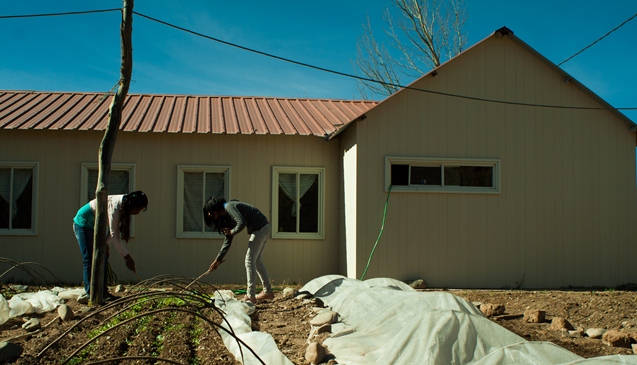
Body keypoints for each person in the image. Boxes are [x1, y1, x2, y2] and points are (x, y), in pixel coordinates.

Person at [73, 190, 148, 302]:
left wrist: (105, 244)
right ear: (132, 205)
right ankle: (91, 293)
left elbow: (113, 233)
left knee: (103, 257)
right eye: (137, 209)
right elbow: (114, 235)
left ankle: (103, 292)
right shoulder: (115, 206)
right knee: (89, 258)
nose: (137, 213)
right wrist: (127, 258)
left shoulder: (124, 206)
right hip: (83, 224)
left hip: (95, 226)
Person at [203, 196, 274, 304]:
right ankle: (267, 292)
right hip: (264, 228)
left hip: (259, 229)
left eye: (210, 211)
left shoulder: (228, 207)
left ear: (215, 207)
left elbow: (241, 223)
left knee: (249, 261)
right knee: (257, 261)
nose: (209, 215)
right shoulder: (227, 216)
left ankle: (250, 296)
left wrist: (232, 231)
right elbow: (228, 239)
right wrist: (218, 259)